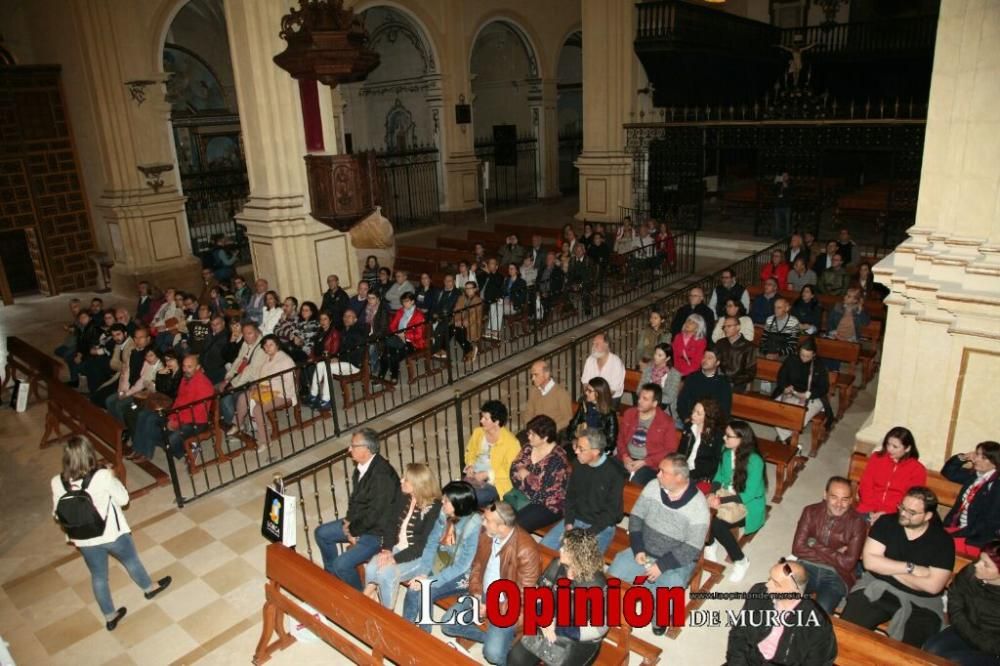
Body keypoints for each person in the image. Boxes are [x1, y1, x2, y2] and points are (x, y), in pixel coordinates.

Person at [51, 437, 171, 631]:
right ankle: (150, 588)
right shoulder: (103, 475)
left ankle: (110, 616)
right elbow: (124, 500)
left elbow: (57, 514)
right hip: (111, 533)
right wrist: (113, 476)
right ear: (89, 454)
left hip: (84, 539)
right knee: (131, 561)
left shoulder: (57, 482)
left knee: (98, 576)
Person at [840, 487, 955, 647]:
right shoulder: (886, 522)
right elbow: (870, 563)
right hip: (879, 586)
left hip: (921, 601)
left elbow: (933, 586)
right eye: (902, 507)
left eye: (912, 512)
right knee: (846, 633)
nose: (903, 514)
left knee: (909, 653)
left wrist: (887, 567)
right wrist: (912, 568)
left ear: (928, 516)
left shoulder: (943, 541)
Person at [608, 454, 710, 635]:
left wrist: (662, 566)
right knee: (616, 570)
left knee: (670, 586)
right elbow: (636, 517)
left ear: (679, 477)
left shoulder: (698, 506)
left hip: (675, 560)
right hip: (644, 550)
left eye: (663, 472)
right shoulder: (653, 487)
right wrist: (638, 548)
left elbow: (692, 547)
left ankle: (659, 618)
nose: (658, 475)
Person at [438, 502, 541, 665]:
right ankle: (500, 644)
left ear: (501, 526)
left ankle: (501, 651)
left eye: (486, 520)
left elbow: (523, 594)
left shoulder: (526, 550)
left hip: (507, 605)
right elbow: (477, 566)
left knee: (492, 654)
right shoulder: (487, 535)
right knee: (448, 624)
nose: (482, 522)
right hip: (483, 594)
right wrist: (477, 595)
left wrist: (491, 608)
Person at [314, 428, 401, 589]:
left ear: (366, 449)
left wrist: (353, 530)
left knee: (342, 564)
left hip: (376, 533)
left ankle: (358, 599)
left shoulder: (382, 477)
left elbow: (375, 516)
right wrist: (348, 521)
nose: (349, 449)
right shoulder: (363, 467)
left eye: (353, 446)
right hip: (360, 523)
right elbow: (355, 500)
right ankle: (332, 579)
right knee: (321, 533)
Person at [508, 529, 609, 665]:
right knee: (515, 659)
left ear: (578, 555)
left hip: (578, 638)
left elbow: (599, 629)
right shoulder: (557, 565)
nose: (560, 549)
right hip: (547, 623)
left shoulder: (596, 584)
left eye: (565, 548)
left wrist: (557, 627)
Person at [402, 481, 483, 630]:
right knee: (414, 588)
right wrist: (423, 572)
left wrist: (431, 581)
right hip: (443, 561)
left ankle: (423, 640)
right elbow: (431, 544)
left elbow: (462, 565)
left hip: (465, 574)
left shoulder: (474, 526)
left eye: (446, 501)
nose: (442, 502)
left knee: (425, 592)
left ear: (459, 504)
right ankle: (406, 630)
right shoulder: (444, 514)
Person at [725, 560, 837, 665]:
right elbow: (738, 634)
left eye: (776, 583)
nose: (768, 585)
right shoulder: (759, 592)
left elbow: (818, 662)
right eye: (770, 578)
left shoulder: (817, 623)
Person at [362, 463, 442, 609]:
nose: (401, 481)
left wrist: (394, 558)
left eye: (406, 479)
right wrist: (386, 549)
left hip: (420, 557)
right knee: (371, 568)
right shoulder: (403, 495)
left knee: (387, 574)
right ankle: (368, 598)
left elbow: (422, 547)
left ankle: (386, 612)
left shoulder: (435, 508)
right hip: (397, 547)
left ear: (417, 485)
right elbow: (390, 523)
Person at [542, 429, 626, 556]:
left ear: (595, 451)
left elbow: (611, 513)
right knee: (543, 550)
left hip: (600, 527)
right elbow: (570, 496)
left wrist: (586, 534)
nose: (576, 451)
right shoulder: (579, 465)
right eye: (576, 447)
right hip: (576, 519)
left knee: (579, 563)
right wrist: (569, 523)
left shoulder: (614, 474)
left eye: (581, 449)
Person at [791, 475, 867, 613]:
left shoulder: (858, 523)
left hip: (837, 575)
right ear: (825, 495)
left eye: (845, 499)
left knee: (821, 613)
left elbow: (848, 564)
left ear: (851, 500)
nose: (839, 504)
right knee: (787, 599)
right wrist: (837, 555)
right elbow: (797, 548)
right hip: (807, 567)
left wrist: (814, 543)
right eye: (834, 497)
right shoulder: (810, 511)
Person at [705, 420, 767, 583]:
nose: (724, 438)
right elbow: (718, 476)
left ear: (741, 439)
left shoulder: (755, 461)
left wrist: (720, 499)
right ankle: (710, 544)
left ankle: (741, 561)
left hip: (748, 504)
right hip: (725, 494)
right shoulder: (726, 452)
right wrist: (712, 493)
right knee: (700, 510)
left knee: (716, 523)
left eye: (729, 436)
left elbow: (747, 494)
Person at [922, 541, 1000, 664]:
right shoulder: (971, 573)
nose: (977, 565)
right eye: (979, 559)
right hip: (965, 629)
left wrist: (982, 642)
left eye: (985, 564)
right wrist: (966, 629)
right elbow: (955, 600)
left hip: (993, 648)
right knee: (931, 650)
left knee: (953, 661)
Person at [232, 335, 296, 445]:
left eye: (271, 345)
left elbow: (290, 385)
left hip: (283, 394)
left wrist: (269, 388)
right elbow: (262, 376)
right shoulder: (267, 358)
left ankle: (265, 441)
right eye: (265, 345)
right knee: (243, 397)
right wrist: (257, 385)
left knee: (258, 409)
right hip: (265, 390)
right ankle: (237, 424)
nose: (268, 347)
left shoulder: (286, 361)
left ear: (277, 345)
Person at [509, 415, 570, 531]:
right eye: (529, 433)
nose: (528, 437)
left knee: (516, 526)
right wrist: (531, 480)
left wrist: (525, 475)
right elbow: (513, 471)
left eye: (532, 434)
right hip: (524, 497)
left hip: (548, 505)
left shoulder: (557, 458)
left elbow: (543, 492)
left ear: (545, 438)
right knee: (498, 516)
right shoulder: (528, 448)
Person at [940, 441, 1000, 557]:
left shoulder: (996, 486)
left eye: (984, 457)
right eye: (977, 454)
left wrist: (956, 534)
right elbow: (948, 472)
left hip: (974, 538)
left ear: (995, 463)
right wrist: (963, 457)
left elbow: (988, 523)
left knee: (938, 545)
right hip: (955, 528)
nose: (978, 459)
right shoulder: (974, 476)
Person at [856, 426, 927, 520]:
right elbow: (866, 485)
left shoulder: (918, 470)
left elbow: (911, 499)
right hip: (868, 508)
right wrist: (871, 509)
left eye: (895, 447)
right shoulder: (876, 458)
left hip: (896, 514)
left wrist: (887, 513)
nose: (890, 449)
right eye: (888, 444)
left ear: (907, 448)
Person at [772, 336, 834, 444]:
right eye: (802, 355)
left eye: (807, 356)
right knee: (774, 411)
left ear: (814, 354)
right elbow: (781, 377)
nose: (804, 358)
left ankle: (785, 438)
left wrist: (807, 395)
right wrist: (785, 387)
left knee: (799, 417)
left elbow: (823, 388)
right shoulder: (791, 360)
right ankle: (787, 438)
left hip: (813, 397)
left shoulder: (819, 365)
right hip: (792, 393)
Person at [616, 383, 678, 486]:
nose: (639, 401)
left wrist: (645, 462)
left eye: (645, 399)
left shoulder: (666, 422)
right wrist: (625, 456)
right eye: (639, 397)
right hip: (627, 458)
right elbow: (620, 439)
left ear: (654, 403)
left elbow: (670, 450)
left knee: (635, 482)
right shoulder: (629, 414)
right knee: (604, 470)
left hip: (651, 465)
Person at [463, 400, 521, 506]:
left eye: (485, 418)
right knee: (454, 493)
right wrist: (470, 465)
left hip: (495, 483)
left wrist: (486, 474)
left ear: (497, 422)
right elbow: (470, 451)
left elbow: (510, 469)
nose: (481, 421)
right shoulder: (478, 432)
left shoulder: (511, 443)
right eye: (482, 417)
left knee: (468, 499)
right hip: (474, 475)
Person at [218, 322, 267, 429]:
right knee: (218, 389)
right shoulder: (246, 344)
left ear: (257, 333)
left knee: (226, 399)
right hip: (240, 377)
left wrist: (232, 385)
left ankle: (237, 425)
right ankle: (234, 422)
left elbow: (250, 372)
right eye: (244, 334)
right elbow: (238, 360)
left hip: (254, 381)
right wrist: (228, 378)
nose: (246, 336)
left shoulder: (262, 347)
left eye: (249, 333)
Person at [677, 399, 724, 489]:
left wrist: (688, 474)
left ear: (708, 417)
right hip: (683, 470)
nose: (693, 415)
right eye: (694, 410)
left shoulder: (716, 436)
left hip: (700, 476)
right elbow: (680, 452)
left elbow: (714, 464)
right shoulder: (688, 427)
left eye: (698, 413)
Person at [565, 378, 619, 456]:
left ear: (598, 394)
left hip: (597, 450)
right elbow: (572, 425)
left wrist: (590, 449)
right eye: (587, 389)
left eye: (589, 391)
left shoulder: (609, 414)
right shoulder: (584, 406)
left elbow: (611, 441)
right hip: (581, 444)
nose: (586, 392)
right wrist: (574, 440)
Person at [380, 292, 426, 384]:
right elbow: (392, 326)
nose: (404, 304)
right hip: (398, 338)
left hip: (412, 343)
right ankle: (387, 375)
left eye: (407, 301)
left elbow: (419, 335)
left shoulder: (418, 315)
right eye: (403, 302)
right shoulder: (400, 311)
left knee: (391, 353)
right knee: (389, 351)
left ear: (413, 301)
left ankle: (387, 375)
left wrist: (405, 335)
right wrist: (397, 333)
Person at [677, 350, 734, 422]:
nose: (705, 360)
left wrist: (708, 426)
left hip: (711, 425)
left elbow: (724, 411)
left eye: (709, 358)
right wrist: (686, 419)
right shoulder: (692, 378)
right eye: (704, 357)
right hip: (690, 419)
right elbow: (681, 402)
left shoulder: (723, 384)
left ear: (717, 363)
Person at [521, 360, 574, 431]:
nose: (533, 379)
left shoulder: (561, 394)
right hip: (535, 431)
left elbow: (568, 419)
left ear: (546, 374)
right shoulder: (534, 390)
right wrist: (529, 427)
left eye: (536, 375)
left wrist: (551, 430)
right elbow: (528, 412)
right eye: (532, 375)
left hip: (552, 434)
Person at [715, 316, 757, 393]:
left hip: (737, 383)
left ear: (738, 327)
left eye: (729, 326)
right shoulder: (720, 343)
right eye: (724, 327)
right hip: (719, 380)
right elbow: (714, 362)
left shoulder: (749, 347)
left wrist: (733, 382)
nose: (725, 329)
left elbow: (750, 373)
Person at [640, 342, 683, 418]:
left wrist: (650, 398)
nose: (656, 357)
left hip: (665, 410)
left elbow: (670, 398)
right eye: (655, 354)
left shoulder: (675, 374)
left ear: (668, 358)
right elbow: (639, 390)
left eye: (660, 355)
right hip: (646, 406)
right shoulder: (648, 369)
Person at [580, 333, 626, 402]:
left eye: (597, 344)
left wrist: (596, 399)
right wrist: (589, 394)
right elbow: (585, 382)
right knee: (579, 403)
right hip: (591, 396)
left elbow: (613, 390)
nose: (593, 347)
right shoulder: (590, 360)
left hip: (610, 399)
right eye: (593, 344)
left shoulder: (616, 363)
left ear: (606, 345)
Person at [451, 281, 483, 363]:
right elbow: (456, 310)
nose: (468, 290)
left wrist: (462, 322)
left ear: (475, 289)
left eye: (470, 288)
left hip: (472, 324)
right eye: (466, 288)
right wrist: (457, 320)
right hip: (461, 321)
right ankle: (469, 349)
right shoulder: (461, 298)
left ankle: (468, 351)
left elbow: (473, 316)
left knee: (459, 331)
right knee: (450, 329)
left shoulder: (478, 300)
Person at [566, 242, 595, 315]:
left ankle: (587, 307)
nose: (578, 252)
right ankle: (571, 308)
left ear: (584, 251)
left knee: (585, 291)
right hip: (574, 282)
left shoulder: (589, 261)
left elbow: (589, 275)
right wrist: (573, 284)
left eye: (580, 250)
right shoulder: (572, 260)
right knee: (565, 288)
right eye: (576, 250)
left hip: (586, 281)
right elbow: (569, 274)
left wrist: (580, 285)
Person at [772, 171, 792, 238]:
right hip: (778, 206)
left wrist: (785, 185)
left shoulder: (790, 184)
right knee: (777, 222)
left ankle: (786, 237)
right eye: (782, 176)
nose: (784, 177)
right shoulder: (778, 184)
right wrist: (775, 182)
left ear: (788, 177)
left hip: (786, 206)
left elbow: (790, 193)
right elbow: (773, 191)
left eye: (785, 176)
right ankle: (778, 236)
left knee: (787, 223)